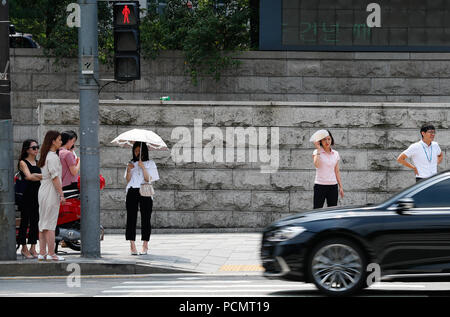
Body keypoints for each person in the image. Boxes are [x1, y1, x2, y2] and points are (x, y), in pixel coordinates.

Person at [124, 142, 159, 255]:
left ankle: (145, 244)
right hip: (132, 190)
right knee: (131, 218)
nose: (137, 153)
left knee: (146, 218)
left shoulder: (151, 163)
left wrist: (143, 167)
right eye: (135, 151)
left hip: (145, 190)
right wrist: (129, 170)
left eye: (140, 150)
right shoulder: (131, 163)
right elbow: (128, 180)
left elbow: (148, 179)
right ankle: (132, 245)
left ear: (145, 151)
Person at [37, 130, 66, 261]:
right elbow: (55, 178)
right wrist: (61, 194)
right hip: (50, 191)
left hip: (43, 190)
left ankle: (42, 253)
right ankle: (51, 253)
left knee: (43, 223)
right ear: (53, 141)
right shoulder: (53, 157)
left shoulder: (45, 155)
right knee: (50, 224)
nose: (61, 142)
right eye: (59, 139)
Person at [16, 139, 42, 259]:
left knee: (35, 222)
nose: (36, 149)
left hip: (38, 195)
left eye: (37, 147)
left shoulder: (39, 162)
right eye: (34, 147)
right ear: (27, 149)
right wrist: (42, 176)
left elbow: (35, 177)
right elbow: (29, 177)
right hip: (26, 196)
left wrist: (37, 176)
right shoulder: (23, 162)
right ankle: (23, 247)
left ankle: (33, 246)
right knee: (25, 221)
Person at [311, 129, 344, 209]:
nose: (327, 141)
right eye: (324, 139)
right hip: (320, 186)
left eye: (329, 139)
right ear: (320, 141)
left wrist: (341, 187)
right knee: (317, 210)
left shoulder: (335, 153)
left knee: (332, 211)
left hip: (333, 186)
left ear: (331, 140)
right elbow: (317, 165)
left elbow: (336, 171)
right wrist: (318, 149)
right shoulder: (316, 152)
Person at [59, 130, 80, 198]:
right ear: (68, 140)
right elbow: (74, 172)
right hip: (70, 186)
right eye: (73, 141)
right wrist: (80, 162)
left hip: (60, 185)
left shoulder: (57, 152)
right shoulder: (68, 154)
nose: (73, 144)